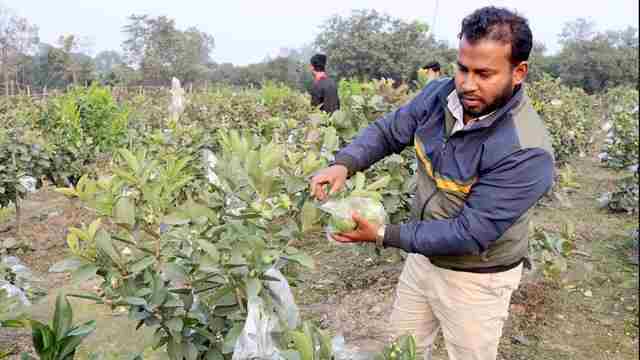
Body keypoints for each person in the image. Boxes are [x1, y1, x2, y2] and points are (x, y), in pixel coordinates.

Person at [309, 6, 554, 360]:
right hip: (422, 258)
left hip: (478, 278)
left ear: (519, 72)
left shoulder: (526, 149)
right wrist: (345, 164)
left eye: (484, 73)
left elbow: (470, 233)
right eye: (462, 68)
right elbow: (388, 131)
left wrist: (382, 235)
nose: (468, 84)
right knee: (401, 350)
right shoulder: (440, 96)